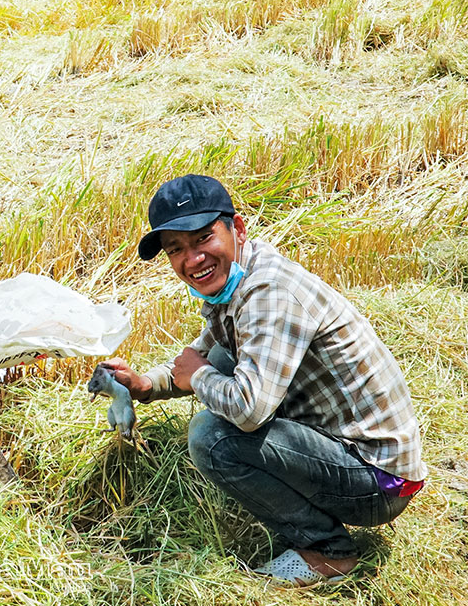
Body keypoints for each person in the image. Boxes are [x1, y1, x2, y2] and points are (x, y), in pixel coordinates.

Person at [101, 174, 426, 586]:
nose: (192, 259)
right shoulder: (237, 280)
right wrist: (147, 384)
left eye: (203, 239)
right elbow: (203, 355)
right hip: (351, 455)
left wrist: (199, 375)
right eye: (176, 249)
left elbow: (248, 410)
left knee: (211, 436)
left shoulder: (269, 293)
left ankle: (327, 550)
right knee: (222, 356)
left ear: (237, 228)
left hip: (380, 479)